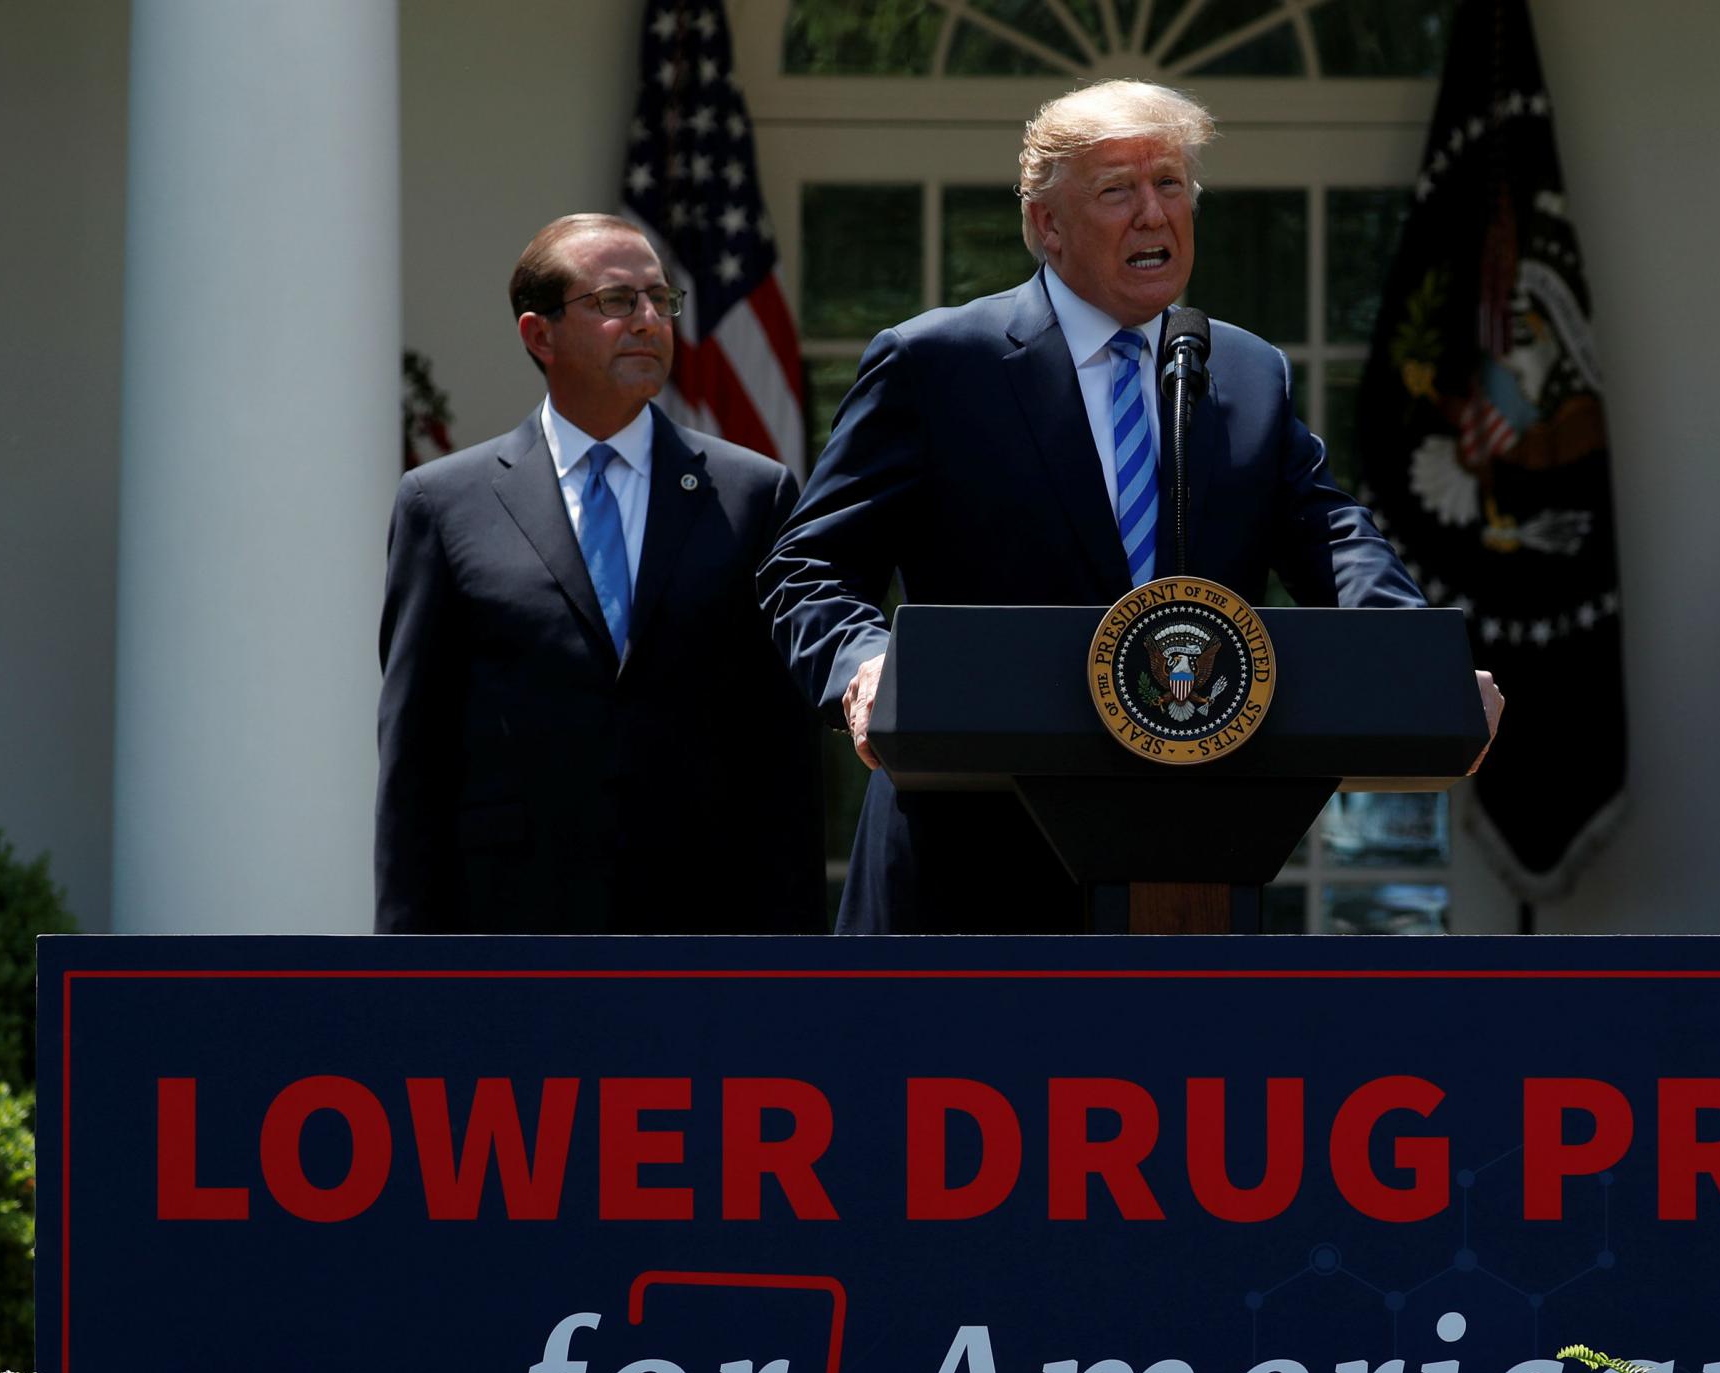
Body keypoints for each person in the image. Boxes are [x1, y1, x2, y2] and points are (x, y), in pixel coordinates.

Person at [761, 82, 1501, 933]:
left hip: (1188, 868)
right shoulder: (938, 364)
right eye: (1118, 190)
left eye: (1171, 184)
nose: (1155, 214)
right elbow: (806, 566)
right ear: (1047, 225)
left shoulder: (1244, 371)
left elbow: (1334, 541)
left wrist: (1418, 663)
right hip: (965, 870)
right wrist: (864, 664)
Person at [375, 213, 823, 933]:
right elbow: (415, 755)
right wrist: (405, 961)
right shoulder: (444, 503)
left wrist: (795, 954)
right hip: (510, 925)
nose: (648, 319)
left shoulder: (752, 494)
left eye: (660, 299)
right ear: (539, 335)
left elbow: (782, 751)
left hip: (704, 925)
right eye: (616, 300)